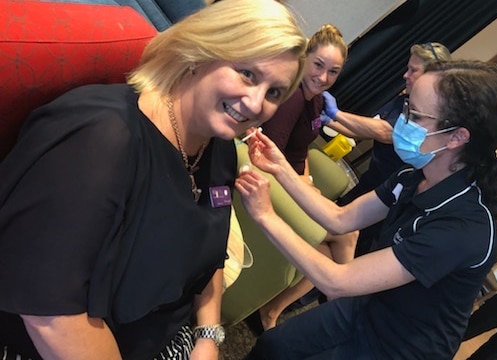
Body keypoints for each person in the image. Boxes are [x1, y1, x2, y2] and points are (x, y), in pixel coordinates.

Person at [0, 1, 307, 359]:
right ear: (200, 53)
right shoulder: (101, 138)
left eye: (274, 93)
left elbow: (210, 256)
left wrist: (208, 335)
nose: (256, 104)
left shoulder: (217, 147)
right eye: (247, 73)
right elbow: (50, 314)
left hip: (165, 337)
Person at [236, 59, 497, 359]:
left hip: (402, 346)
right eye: (406, 108)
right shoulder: (416, 176)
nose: (401, 122)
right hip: (371, 305)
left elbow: (336, 280)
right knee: (274, 346)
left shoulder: (464, 228)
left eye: (415, 115)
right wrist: (280, 167)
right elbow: (340, 218)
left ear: (456, 137)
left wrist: (265, 215)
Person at [255, 24, 356, 332]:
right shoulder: (294, 97)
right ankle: (343, 306)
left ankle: (271, 311)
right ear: (305, 57)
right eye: (318, 66)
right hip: (278, 179)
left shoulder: (316, 99)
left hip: (297, 182)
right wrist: (302, 187)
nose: (323, 77)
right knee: (349, 235)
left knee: (327, 253)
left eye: (333, 72)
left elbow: (304, 149)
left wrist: (308, 180)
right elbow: (272, 154)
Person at [323, 41, 452, 256]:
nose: (405, 75)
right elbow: (365, 129)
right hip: (369, 183)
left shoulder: (431, 116)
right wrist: (324, 119)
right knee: (327, 230)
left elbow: (385, 132)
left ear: (432, 77)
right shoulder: (404, 100)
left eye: (413, 70)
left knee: (342, 249)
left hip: (388, 203)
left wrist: (336, 114)